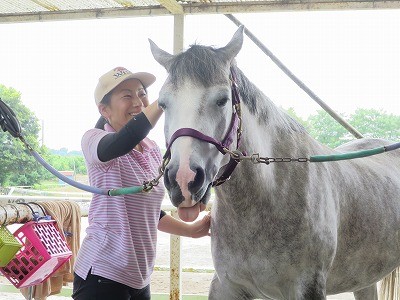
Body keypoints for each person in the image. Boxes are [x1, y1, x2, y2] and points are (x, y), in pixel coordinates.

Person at [72, 67, 211, 300]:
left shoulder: (151, 149)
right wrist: (165, 98)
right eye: (127, 96)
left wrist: (191, 231)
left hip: (139, 277)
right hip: (102, 273)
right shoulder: (94, 140)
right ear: (104, 109)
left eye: (142, 93)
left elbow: (149, 213)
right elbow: (121, 142)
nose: (138, 102)